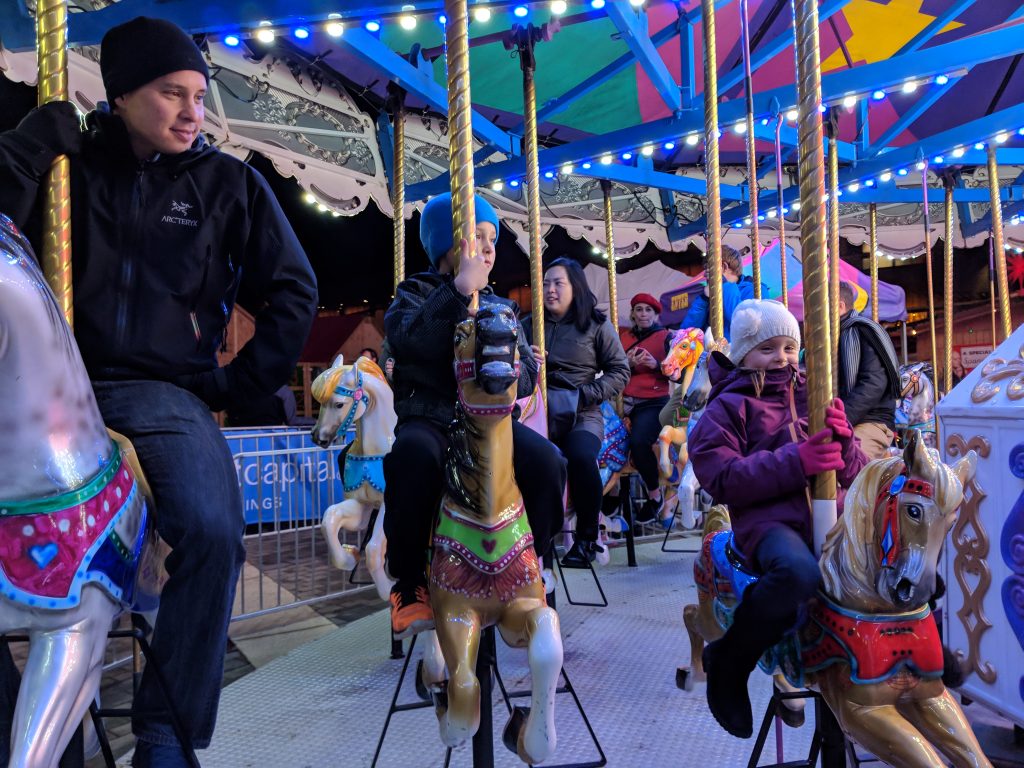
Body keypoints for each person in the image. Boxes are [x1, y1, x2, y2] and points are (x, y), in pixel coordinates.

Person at [0, 17, 318, 767]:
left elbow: (294, 289)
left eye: (198, 96)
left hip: (159, 390)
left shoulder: (226, 184)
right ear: (122, 94)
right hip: (51, 384)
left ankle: (169, 725)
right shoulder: (70, 163)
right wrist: (24, 151)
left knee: (212, 530)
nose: (190, 111)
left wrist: (234, 385)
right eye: (171, 93)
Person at [382, 193, 567, 638]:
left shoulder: (501, 307)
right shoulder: (415, 294)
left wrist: (525, 367)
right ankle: (408, 582)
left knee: (548, 463)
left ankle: (529, 562)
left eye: (492, 239)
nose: (487, 247)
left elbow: (519, 384)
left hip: (489, 428)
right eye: (476, 237)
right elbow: (410, 342)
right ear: (447, 246)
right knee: (412, 457)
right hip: (433, 419)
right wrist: (457, 292)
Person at [688, 299, 867, 739]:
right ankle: (731, 661)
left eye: (790, 347)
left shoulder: (816, 392)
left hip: (834, 514)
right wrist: (796, 460)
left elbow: (857, 475)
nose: (783, 357)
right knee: (797, 574)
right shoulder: (729, 406)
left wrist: (844, 443)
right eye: (769, 348)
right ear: (743, 353)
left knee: (900, 553)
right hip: (770, 523)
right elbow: (721, 476)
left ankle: (926, 651)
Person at [526, 258, 629, 568]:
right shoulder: (531, 324)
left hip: (581, 412)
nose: (550, 290)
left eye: (558, 283)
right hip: (538, 409)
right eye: (545, 283)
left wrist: (584, 395)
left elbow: (620, 370)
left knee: (581, 456)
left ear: (576, 287)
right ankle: (529, 539)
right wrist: (527, 361)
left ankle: (587, 538)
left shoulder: (596, 325)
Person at [618, 293, 672, 522]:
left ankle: (654, 495)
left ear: (656, 314)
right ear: (633, 313)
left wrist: (657, 365)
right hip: (626, 400)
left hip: (654, 400)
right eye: (639, 309)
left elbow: (678, 371)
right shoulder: (623, 337)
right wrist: (627, 363)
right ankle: (611, 499)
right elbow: (613, 367)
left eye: (648, 310)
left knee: (639, 442)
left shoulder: (666, 337)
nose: (643, 314)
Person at [837, 281, 901, 461]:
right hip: (846, 419)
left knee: (841, 463)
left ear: (840, 306)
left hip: (871, 420)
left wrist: (842, 418)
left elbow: (873, 383)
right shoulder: (832, 338)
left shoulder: (862, 331)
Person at [681, 245, 757, 341]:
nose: (704, 275)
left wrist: (723, 284)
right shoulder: (708, 294)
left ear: (724, 267)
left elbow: (745, 326)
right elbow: (686, 334)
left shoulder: (752, 290)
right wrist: (704, 300)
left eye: (708, 269)